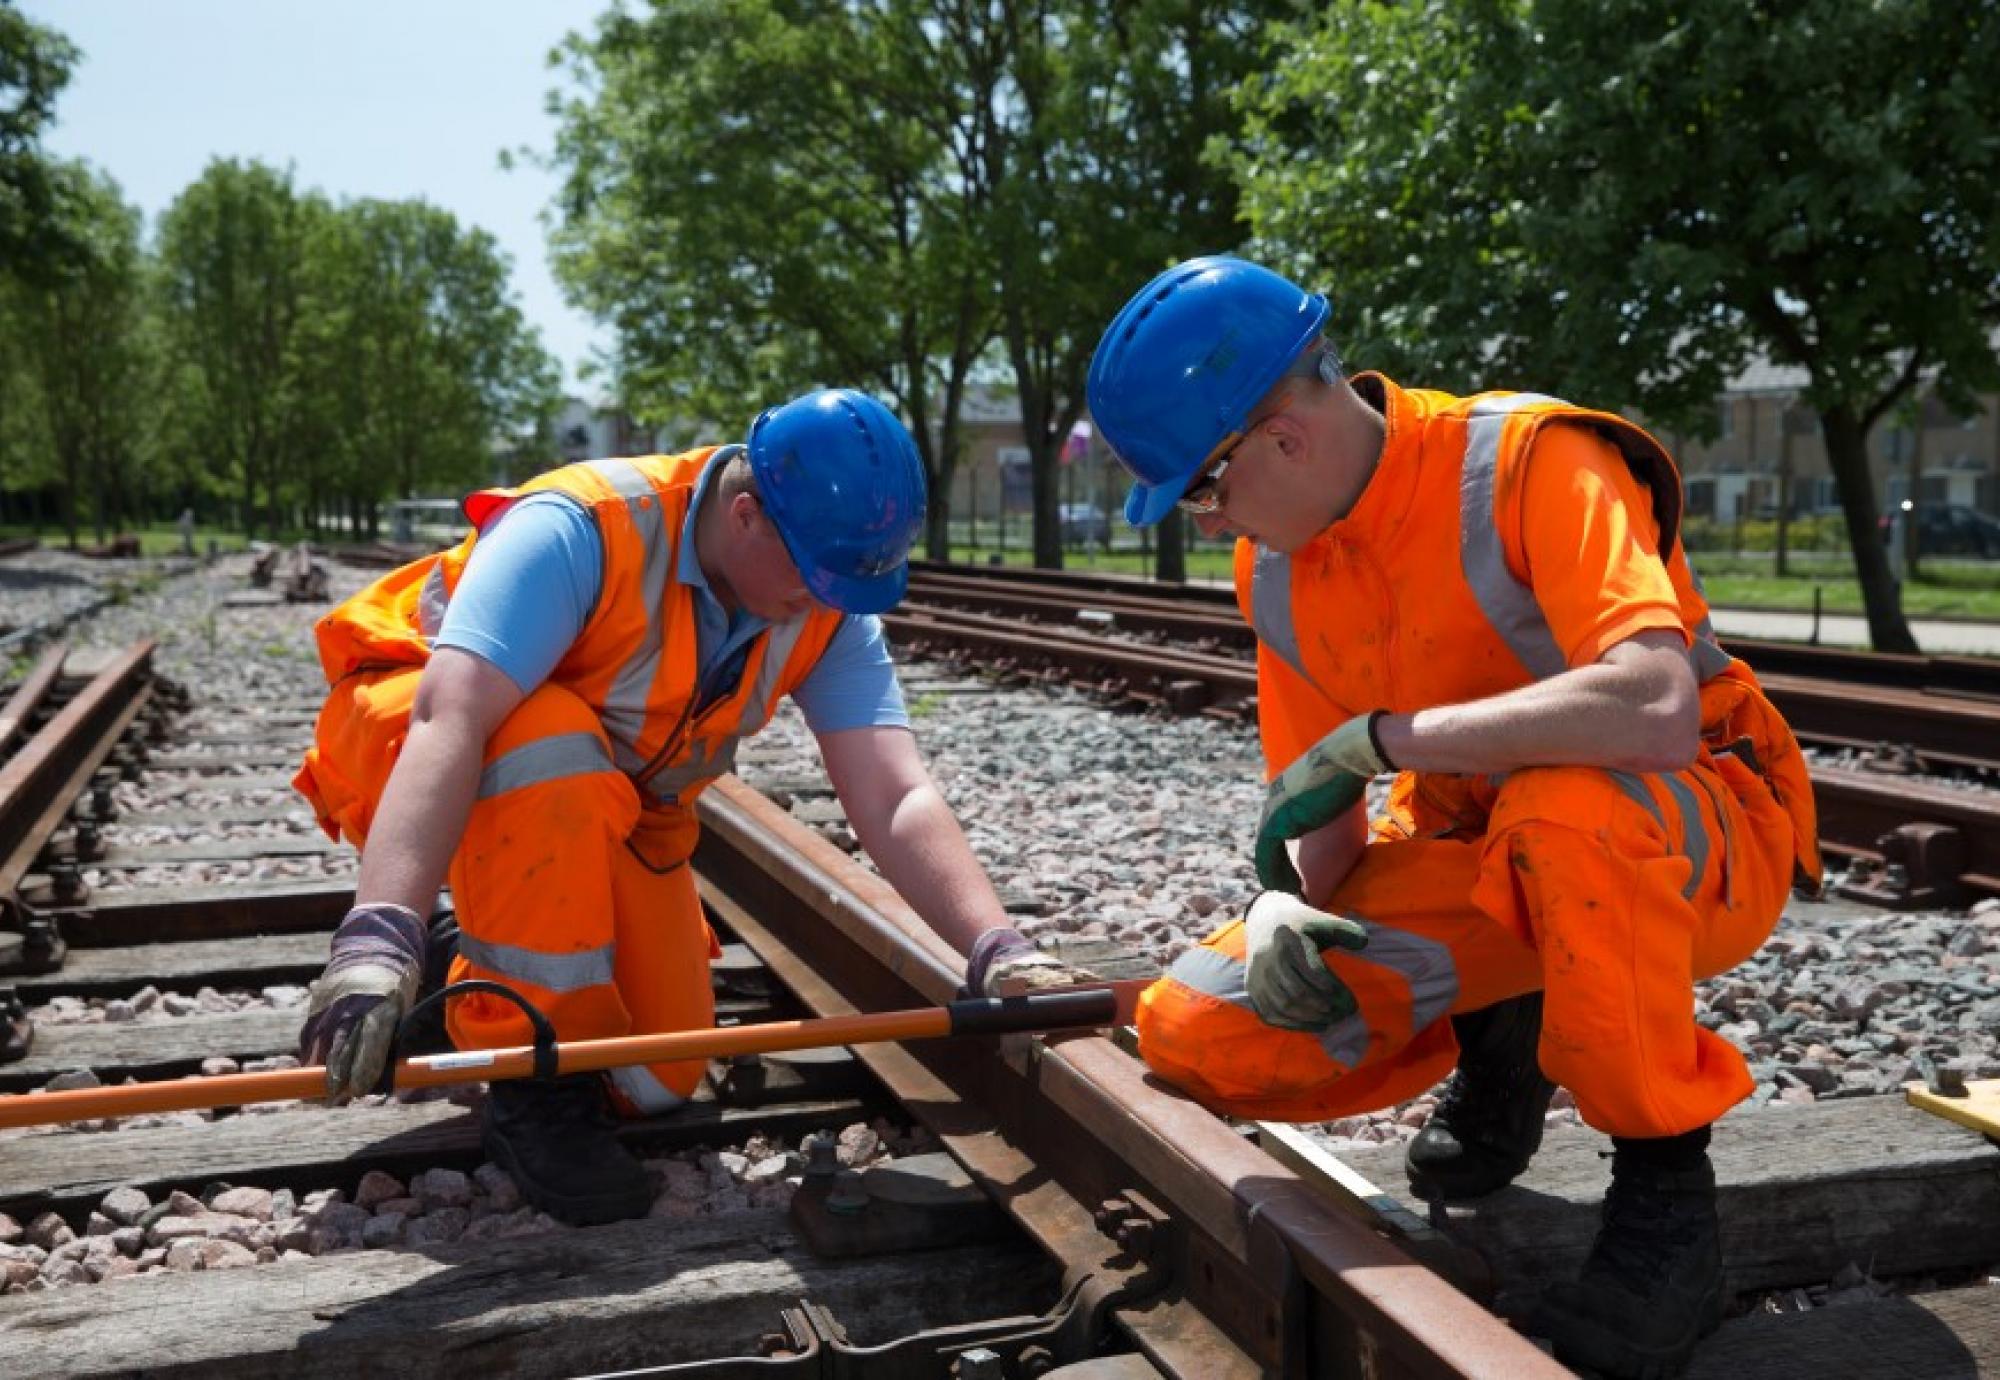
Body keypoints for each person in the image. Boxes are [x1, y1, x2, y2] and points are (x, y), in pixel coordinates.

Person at [1088, 257, 1818, 1378]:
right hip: (1494, 859)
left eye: (1202, 491)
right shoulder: (1274, 573)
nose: (1206, 519)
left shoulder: (1533, 461)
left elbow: (1655, 709)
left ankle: (1666, 1198)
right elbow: (1321, 813)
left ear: (1274, 441)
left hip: (1693, 832)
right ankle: (1506, 1039)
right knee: (1196, 1027)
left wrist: (1395, 739)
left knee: (1561, 809)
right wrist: (1282, 905)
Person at [291, 388, 1089, 1226]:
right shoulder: (582, 528)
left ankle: (466, 977)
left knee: (655, 1074)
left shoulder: (825, 601)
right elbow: (449, 719)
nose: (826, 600)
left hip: (600, 806)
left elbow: (893, 791)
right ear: (745, 514)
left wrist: (998, 947)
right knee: (549, 740)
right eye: (816, 575)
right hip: (418, 741)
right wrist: (380, 935)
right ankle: (534, 1083)